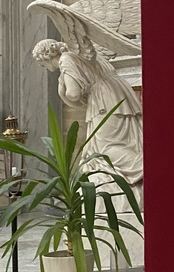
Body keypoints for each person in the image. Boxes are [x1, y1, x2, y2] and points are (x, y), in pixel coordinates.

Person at [32, 39, 143, 207]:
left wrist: (61, 87)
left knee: (107, 147)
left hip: (105, 102)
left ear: (45, 56)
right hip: (115, 94)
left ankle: (143, 166)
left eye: (41, 63)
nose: (44, 67)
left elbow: (74, 94)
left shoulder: (66, 60)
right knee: (119, 142)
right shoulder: (76, 55)